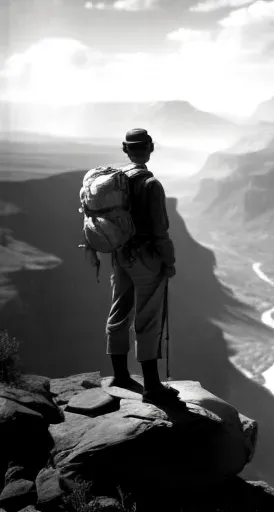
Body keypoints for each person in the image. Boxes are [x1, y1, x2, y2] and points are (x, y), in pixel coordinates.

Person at [98, 128, 179, 405]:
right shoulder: (150, 184)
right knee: (148, 317)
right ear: (151, 148)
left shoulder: (116, 181)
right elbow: (160, 230)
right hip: (146, 257)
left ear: (125, 149)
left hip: (120, 254)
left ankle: (120, 375)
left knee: (119, 309)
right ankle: (152, 386)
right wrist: (168, 262)